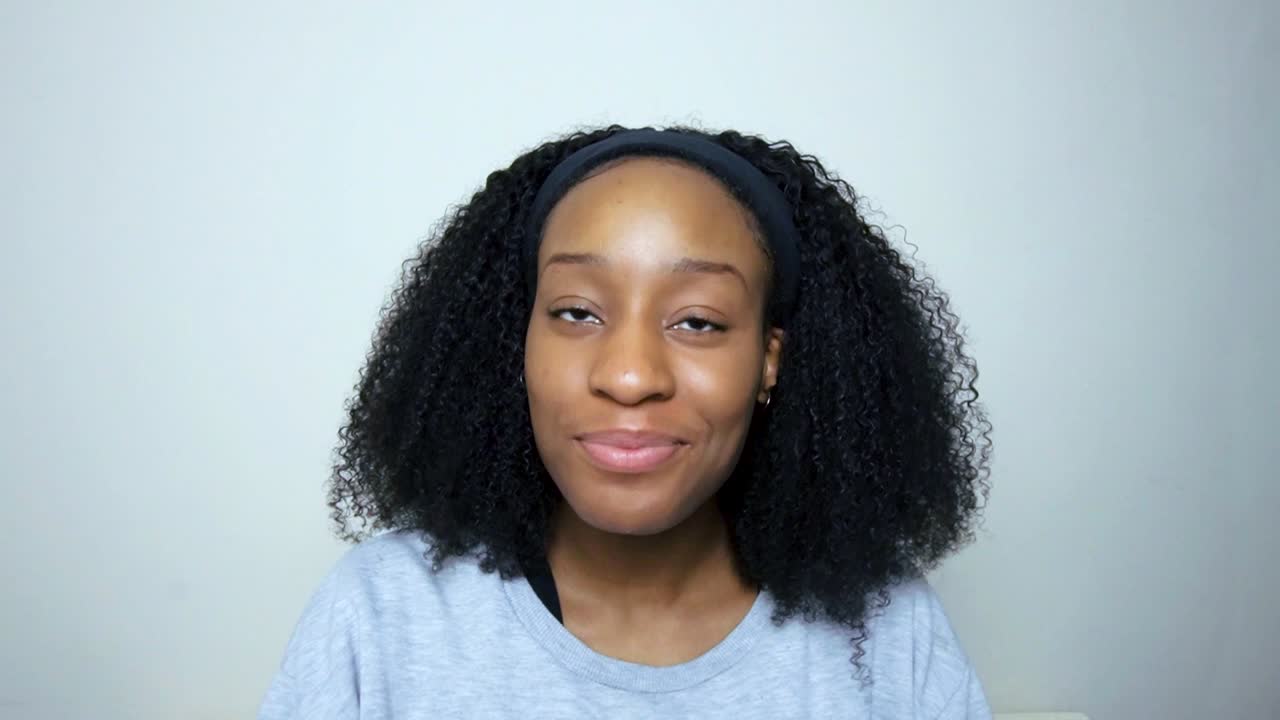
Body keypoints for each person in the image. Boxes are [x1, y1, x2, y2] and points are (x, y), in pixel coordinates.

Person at [258, 126, 993, 718]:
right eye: (577, 312)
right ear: (517, 341)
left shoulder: (888, 634)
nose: (630, 376)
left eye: (699, 321)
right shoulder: (385, 614)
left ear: (771, 361)